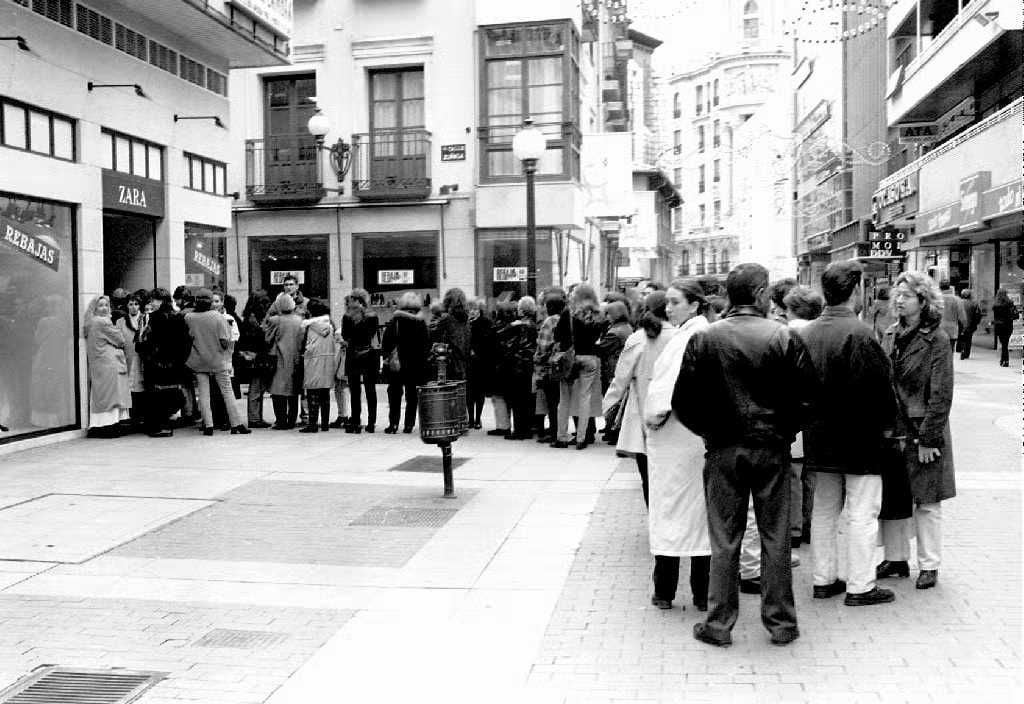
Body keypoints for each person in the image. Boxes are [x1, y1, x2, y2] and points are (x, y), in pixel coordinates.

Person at [672, 263, 816, 648]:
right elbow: (808, 399)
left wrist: (710, 432)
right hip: (771, 447)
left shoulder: (706, 338)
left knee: (725, 537)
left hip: (724, 447)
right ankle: (781, 621)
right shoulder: (783, 336)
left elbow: (683, 402)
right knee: (775, 535)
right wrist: (785, 432)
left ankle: (719, 622)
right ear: (760, 293)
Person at [800, 262, 899, 606]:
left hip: (818, 436)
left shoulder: (806, 333)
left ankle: (823, 579)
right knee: (862, 512)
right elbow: (880, 390)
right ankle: (860, 585)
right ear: (856, 290)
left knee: (824, 509)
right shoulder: (860, 334)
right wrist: (890, 428)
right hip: (860, 437)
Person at [878, 271, 956, 590]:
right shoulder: (891, 332)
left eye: (906, 295)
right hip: (894, 428)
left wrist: (929, 438)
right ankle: (897, 559)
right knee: (895, 497)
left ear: (923, 301)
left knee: (927, 500)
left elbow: (941, 392)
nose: (898, 300)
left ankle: (929, 564)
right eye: (897, 294)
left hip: (924, 429)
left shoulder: (936, 338)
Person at [643, 279, 712, 612]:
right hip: (699, 436)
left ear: (694, 305)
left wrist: (652, 418)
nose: (668, 308)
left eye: (675, 302)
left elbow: (661, 394)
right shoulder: (706, 334)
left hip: (675, 436)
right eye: (667, 302)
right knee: (700, 516)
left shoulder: (685, 338)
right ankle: (702, 593)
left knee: (670, 512)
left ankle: (665, 590)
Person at [603, 292, 676, 504]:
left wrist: (607, 405)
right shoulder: (680, 336)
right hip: (675, 415)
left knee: (647, 477)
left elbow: (620, 379)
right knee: (671, 478)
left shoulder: (638, 338)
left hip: (643, 414)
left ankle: (653, 520)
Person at [185, 289, 250, 436]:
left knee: (203, 394)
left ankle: (208, 425)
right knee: (227, 391)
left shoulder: (189, 317)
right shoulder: (218, 317)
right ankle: (236, 424)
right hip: (218, 360)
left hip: (199, 360)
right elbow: (225, 342)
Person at [553, 284, 605, 449]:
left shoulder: (568, 313)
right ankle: (581, 438)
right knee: (585, 397)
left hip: (570, 357)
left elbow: (558, 335)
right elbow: (599, 337)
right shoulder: (597, 314)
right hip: (590, 358)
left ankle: (561, 437)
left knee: (564, 399)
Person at [136, 288, 188, 437]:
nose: (151, 303)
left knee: (154, 396)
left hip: (154, 364)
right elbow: (185, 343)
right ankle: (166, 424)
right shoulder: (178, 318)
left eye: (153, 300)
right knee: (170, 394)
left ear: (160, 301)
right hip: (173, 365)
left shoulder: (148, 318)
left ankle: (156, 426)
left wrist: (148, 356)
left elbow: (140, 344)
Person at [381, 292, 430, 434]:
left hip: (398, 363)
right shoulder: (420, 322)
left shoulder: (395, 321)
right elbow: (426, 344)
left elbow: (386, 342)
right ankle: (409, 424)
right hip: (415, 364)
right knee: (412, 395)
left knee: (395, 393)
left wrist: (387, 356)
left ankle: (394, 424)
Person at [83, 295, 131, 438]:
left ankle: (100, 426)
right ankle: (110, 427)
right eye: (101, 305)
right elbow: (121, 340)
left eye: (106, 305)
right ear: (95, 308)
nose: (104, 308)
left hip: (98, 363)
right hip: (110, 363)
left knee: (102, 396)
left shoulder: (91, 322)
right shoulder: (103, 322)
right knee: (112, 397)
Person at [495, 296, 539, 440]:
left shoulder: (516, 325)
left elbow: (503, 339)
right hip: (530, 365)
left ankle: (519, 430)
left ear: (521, 310)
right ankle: (528, 428)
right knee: (528, 399)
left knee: (517, 400)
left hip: (517, 366)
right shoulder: (534, 325)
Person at [264, 292, 304, 429]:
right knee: (293, 392)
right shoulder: (300, 320)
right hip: (296, 359)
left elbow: (267, 338)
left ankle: (281, 421)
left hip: (279, 359)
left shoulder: (275, 320)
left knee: (278, 392)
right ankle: (292, 420)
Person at [299, 298, 340, 433]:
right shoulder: (329, 325)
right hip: (327, 361)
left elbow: (308, 346)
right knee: (325, 394)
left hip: (313, 361)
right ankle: (325, 424)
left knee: (312, 394)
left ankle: (312, 424)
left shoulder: (310, 327)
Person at [342, 288, 380, 433]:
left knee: (355, 391)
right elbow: (371, 334)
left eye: (353, 298)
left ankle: (356, 421)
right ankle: (371, 422)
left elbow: (345, 336)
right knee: (370, 390)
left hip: (353, 354)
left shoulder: (347, 317)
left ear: (358, 300)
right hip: (369, 354)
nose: (351, 301)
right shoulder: (372, 316)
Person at [534, 288, 566, 443]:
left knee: (551, 403)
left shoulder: (549, 321)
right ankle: (559, 431)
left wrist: (538, 358)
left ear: (550, 307)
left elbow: (543, 345)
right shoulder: (566, 319)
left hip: (549, 366)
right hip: (563, 365)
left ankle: (553, 434)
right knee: (560, 401)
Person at [238, 291, 274, 428]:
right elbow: (260, 339)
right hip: (256, 357)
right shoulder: (254, 320)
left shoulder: (248, 317)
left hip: (251, 356)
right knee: (256, 388)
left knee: (256, 388)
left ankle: (255, 417)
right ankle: (254, 418)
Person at [116, 292, 147, 430]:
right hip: (127, 358)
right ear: (126, 306)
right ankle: (132, 417)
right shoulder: (121, 321)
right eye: (130, 304)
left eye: (136, 304)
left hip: (142, 358)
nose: (133, 307)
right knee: (129, 387)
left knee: (142, 385)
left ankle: (142, 416)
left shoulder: (145, 318)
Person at [487, 301, 517, 437]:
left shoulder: (496, 328)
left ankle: (503, 426)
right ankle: (510, 425)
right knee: (510, 397)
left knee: (498, 397)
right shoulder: (516, 326)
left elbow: (490, 348)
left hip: (498, 366)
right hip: (513, 365)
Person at [430, 287, 472, 382]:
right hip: (465, 365)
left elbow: (433, 336)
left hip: (449, 365)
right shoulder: (467, 320)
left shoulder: (447, 319)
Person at [467, 296, 495, 430]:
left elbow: (488, 340)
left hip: (481, 361)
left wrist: (476, 351)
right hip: (469, 362)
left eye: (475, 309)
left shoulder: (485, 322)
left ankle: (478, 418)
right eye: (470, 309)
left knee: (479, 392)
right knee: (469, 392)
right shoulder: (466, 323)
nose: (472, 312)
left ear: (480, 310)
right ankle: (470, 419)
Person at [991, 288, 1018, 367]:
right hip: (1008, 325)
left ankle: (1003, 360)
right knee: (1005, 344)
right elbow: (1014, 314)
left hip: (999, 326)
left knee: (1003, 343)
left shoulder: (995, 305)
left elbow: (995, 317)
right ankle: (1005, 360)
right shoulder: (1010, 303)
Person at [938, 280, 964, 353]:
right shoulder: (957, 300)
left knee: (939, 351)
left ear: (940, 287)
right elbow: (962, 317)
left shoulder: (936, 299)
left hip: (938, 328)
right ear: (949, 287)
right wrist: (964, 326)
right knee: (950, 350)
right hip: (952, 329)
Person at [958, 289, 982, 360]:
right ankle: (966, 353)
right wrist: (976, 323)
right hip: (970, 324)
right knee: (968, 339)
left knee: (961, 338)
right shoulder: (974, 303)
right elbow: (978, 315)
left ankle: (961, 350)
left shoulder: (959, 303)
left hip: (961, 323)